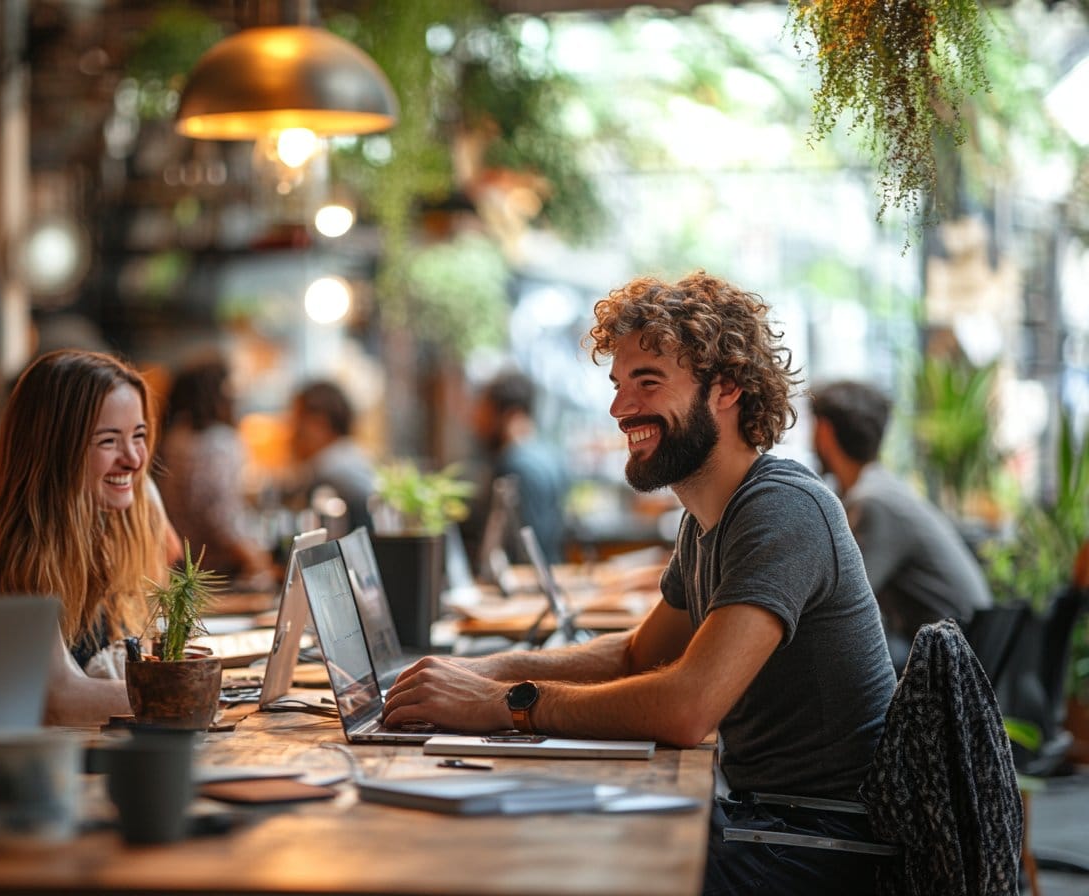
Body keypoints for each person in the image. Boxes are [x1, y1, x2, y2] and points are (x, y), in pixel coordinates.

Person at [383, 272, 897, 895]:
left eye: (648, 382)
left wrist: (502, 703)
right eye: (619, 385)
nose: (620, 408)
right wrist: (482, 670)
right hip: (765, 822)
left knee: (538, 864)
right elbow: (635, 655)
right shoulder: (706, 519)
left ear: (727, 386)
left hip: (817, 847)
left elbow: (686, 708)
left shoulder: (783, 509)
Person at [0, 350, 168, 726]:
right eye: (108, 441)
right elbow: (58, 700)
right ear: (56, 451)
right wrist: (180, 694)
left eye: (139, 435)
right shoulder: (19, 552)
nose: (134, 459)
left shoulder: (107, 528)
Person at [811, 379, 993, 671]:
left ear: (824, 430)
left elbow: (842, 602)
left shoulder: (874, 501)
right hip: (964, 648)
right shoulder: (882, 488)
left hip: (952, 663)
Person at [155, 353, 273, 585]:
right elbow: (220, 517)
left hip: (180, 565)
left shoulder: (172, 438)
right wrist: (255, 560)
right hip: (222, 570)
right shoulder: (219, 443)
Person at [467, 368, 571, 563]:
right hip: (553, 570)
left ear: (510, 413)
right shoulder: (553, 456)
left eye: (484, 412)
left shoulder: (511, 465)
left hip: (524, 576)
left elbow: (512, 546)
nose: (476, 422)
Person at [287, 379, 375, 534]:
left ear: (320, 422)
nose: (292, 432)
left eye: (298, 420)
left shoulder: (331, 470)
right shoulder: (353, 456)